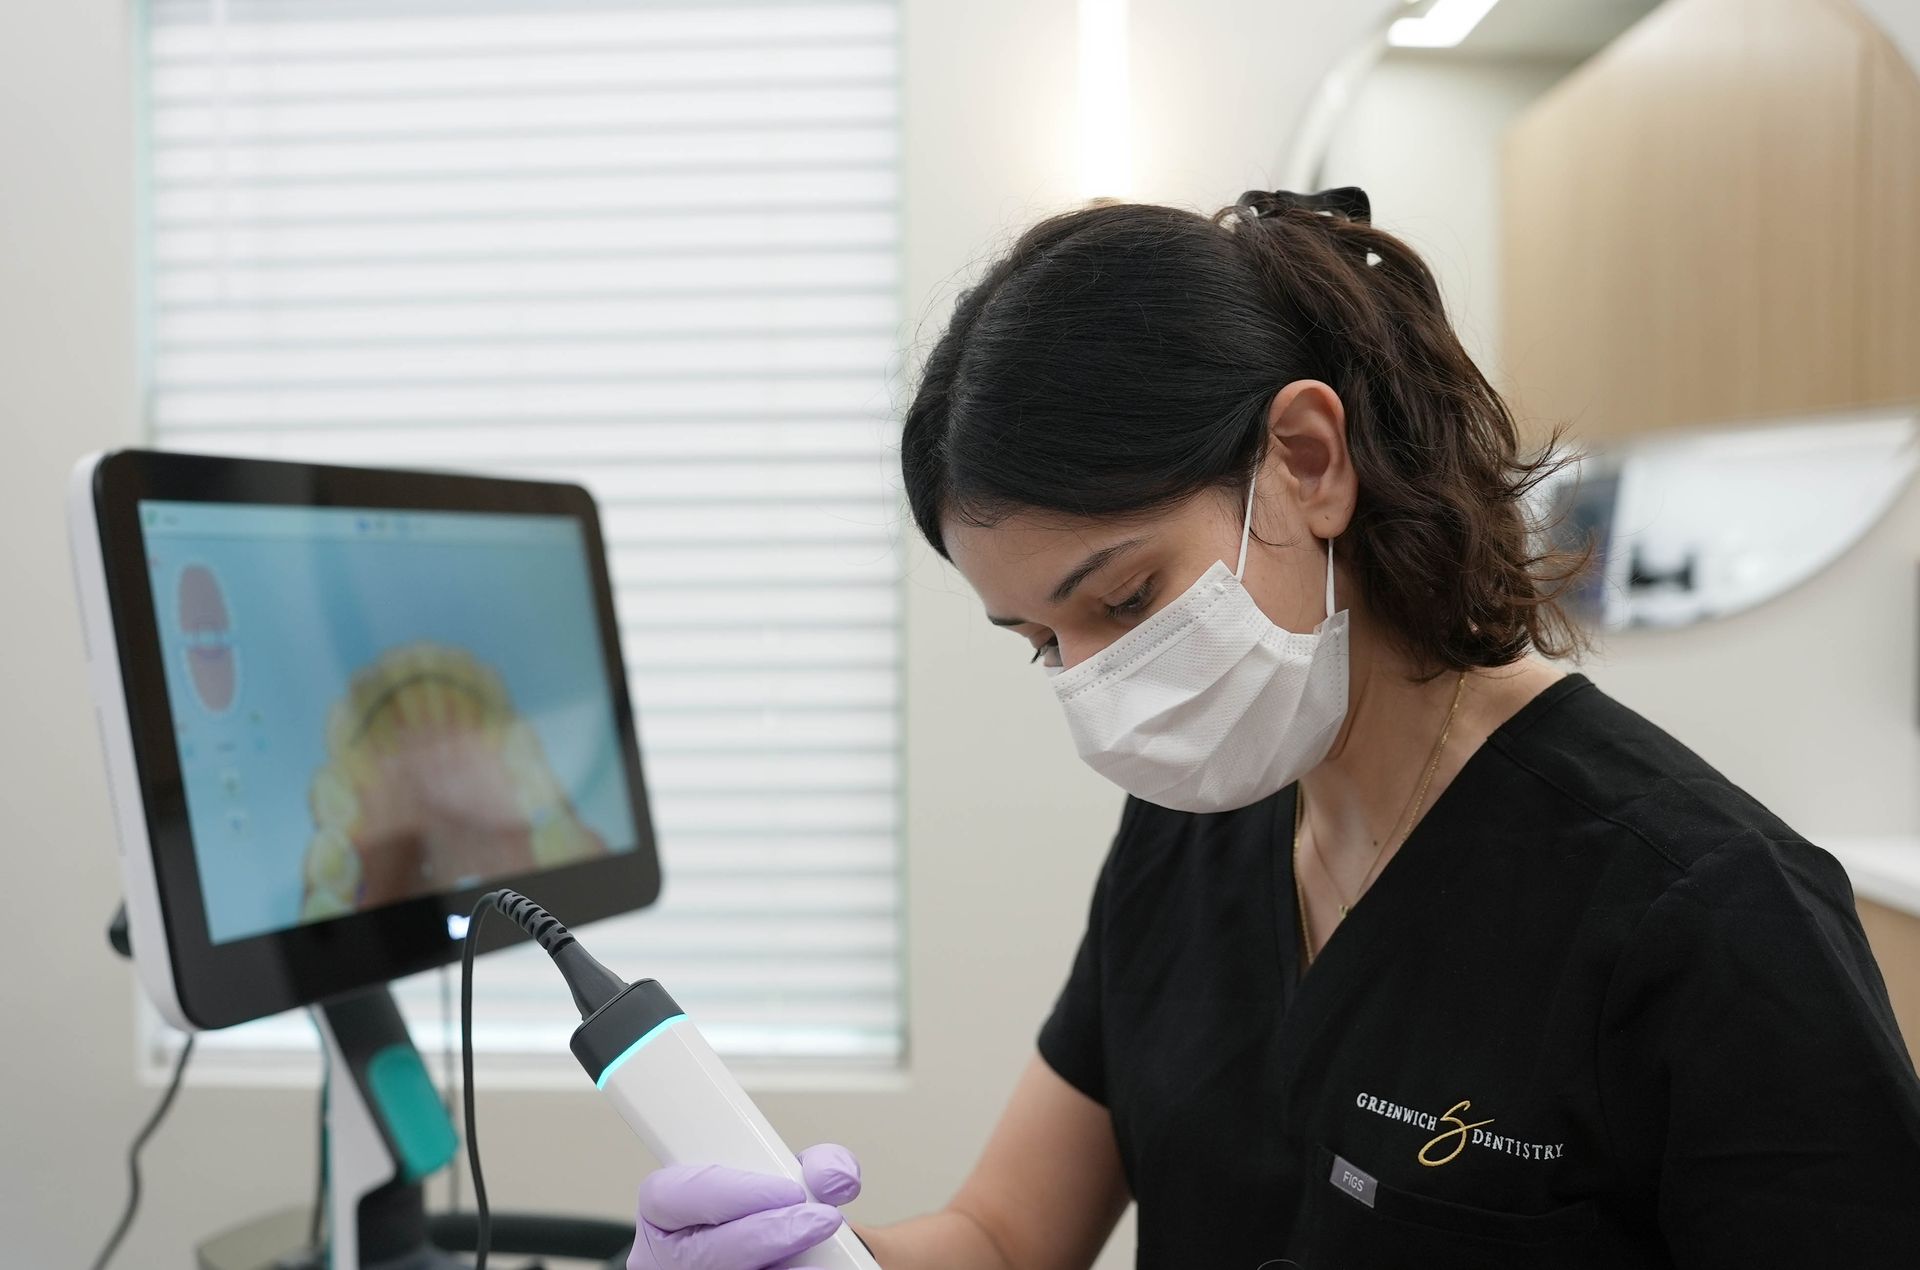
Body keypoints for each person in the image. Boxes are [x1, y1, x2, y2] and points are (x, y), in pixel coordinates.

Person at [621, 188, 1920, 1268]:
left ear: (1308, 459)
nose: (1097, 685)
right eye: (1041, 643)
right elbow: (1008, 1233)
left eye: (1124, 597)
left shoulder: (1711, 917)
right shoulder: (1189, 837)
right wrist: (813, 1257)